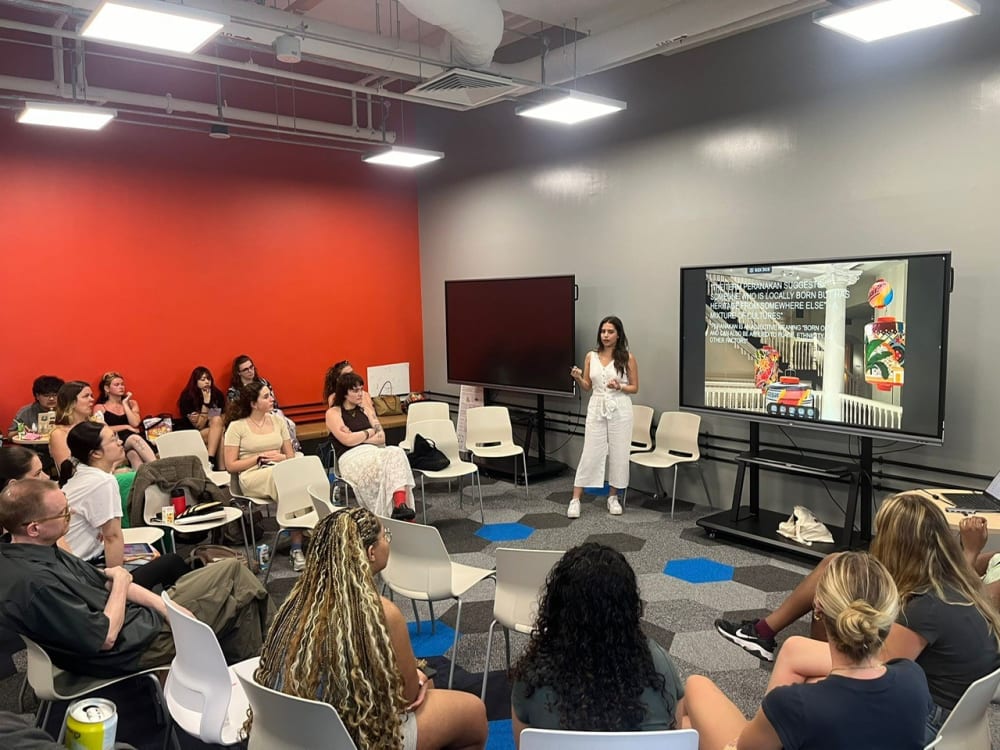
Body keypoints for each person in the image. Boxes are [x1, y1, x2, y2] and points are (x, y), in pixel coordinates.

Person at [715, 491, 1000, 741]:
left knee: (809, 679)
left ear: (895, 546)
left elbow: (870, 671)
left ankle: (767, 733)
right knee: (803, 657)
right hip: (957, 714)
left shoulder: (924, 608)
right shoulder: (955, 583)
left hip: (925, 721)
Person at [251, 507, 487, 750]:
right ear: (371, 553)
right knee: (474, 715)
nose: (388, 543)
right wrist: (419, 677)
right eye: (386, 537)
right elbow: (406, 698)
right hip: (359, 737)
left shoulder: (294, 604)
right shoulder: (382, 613)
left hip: (293, 733)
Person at [0, 478, 272, 678]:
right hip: (132, 647)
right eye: (63, 514)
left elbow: (107, 578)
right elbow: (105, 635)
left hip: (135, 622)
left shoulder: (33, 550)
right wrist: (121, 582)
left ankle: (250, 677)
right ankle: (264, 675)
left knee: (231, 572)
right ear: (34, 528)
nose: (70, 518)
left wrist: (162, 605)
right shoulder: (35, 582)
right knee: (241, 591)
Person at [680, 552, 932, 750]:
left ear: (818, 607)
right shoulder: (914, 677)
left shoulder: (794, 704)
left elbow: (743, 746)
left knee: (694, 689)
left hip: (766, 733)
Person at [510, 543, 683, 746]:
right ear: (628, 608)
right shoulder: (658, 666)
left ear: (557, 608)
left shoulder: (532, 676)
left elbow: (522, 744)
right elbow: (674, 734)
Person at [59, 422, 189, 590]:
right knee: (172, 562)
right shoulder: (102, 481)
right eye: (113, 440)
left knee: (153, 556)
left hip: (77, 566)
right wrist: (118, 587)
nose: (120, 442)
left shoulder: (84, 475)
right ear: (96, 453)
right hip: (85, 574)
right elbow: (112, 537)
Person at [224, 382, 305, 572]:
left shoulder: (278, 421)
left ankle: (298, 535)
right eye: (266, 396)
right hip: (251, 475)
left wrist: (282, 457)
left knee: (298, 473)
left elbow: (290, 455)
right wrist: (257, 459)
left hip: (279, 468)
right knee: (285, 480)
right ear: (253, 403)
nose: (272, 399)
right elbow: (230, 465)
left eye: (271, 395)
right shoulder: (236, 427)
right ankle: (298, 543)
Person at [567, 316, 638, 518]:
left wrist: (620, 386)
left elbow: (635, 387)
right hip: (597, 406)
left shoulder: (628, 358)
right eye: (603, 331)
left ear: (618, 334)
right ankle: (575, 499)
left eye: (610, 332)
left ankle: (613, 496)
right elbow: (588, 386)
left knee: (619, 453)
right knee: (590, 451)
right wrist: (578, 377)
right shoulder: (591, 356)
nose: (605, 335)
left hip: (620, 408)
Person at [326, 372, 416, 521]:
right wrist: (369, 432)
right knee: (390, 466)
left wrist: (357, 437)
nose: (360, 393)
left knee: (396, 452)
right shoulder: (333, 413)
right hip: (350, 458)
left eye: (361, 389)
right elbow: (347, 441)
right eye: (355, 390)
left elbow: (382, 437)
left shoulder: (366, 410)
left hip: (372, 452)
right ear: (344, 393)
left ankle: (400, 507)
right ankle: (400, 515)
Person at [227, 354, 300, 450]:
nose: (250, 371)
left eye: (251, 367)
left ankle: (291, 448)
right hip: (248, 417)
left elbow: (274, 403)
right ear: (238, 373)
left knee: (287, 422)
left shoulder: (263, 383)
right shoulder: (234, 391)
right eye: (246, 369)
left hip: (269, 412)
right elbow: (237, 412)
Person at [93, 372, 156, 468]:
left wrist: (125, 404)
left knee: (133, 454)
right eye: (117, 385)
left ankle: (143, 481)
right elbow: (103, 429)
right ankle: (159, 468)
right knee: (134, 439)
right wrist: (126, 427)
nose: (121, 387)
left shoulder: (131, 403)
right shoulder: (100, 407)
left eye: (122, 384)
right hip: (116, 440)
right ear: (107, 388)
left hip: (134, 439)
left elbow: (135, 423)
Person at [177, 366, 226, 469]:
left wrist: (207, 417)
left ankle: (213, 464)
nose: (207, 382)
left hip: (212, 431)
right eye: (202, 379)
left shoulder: (217, 395)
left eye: (208, 379)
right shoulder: (187, 397)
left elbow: (220, 419)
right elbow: (199, 425)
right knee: (219, 430)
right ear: (196, 382)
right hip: (193, 434)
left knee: (218, 427)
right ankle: (217, 466)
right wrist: (206, 403)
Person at [48, 381, 96, 474]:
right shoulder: (59, 434)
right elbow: (68, 470)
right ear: (72, 403)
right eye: (86, 396)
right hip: (80, 480)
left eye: (91, 396)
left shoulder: (97, 425)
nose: (92, 399)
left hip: (107, 475)